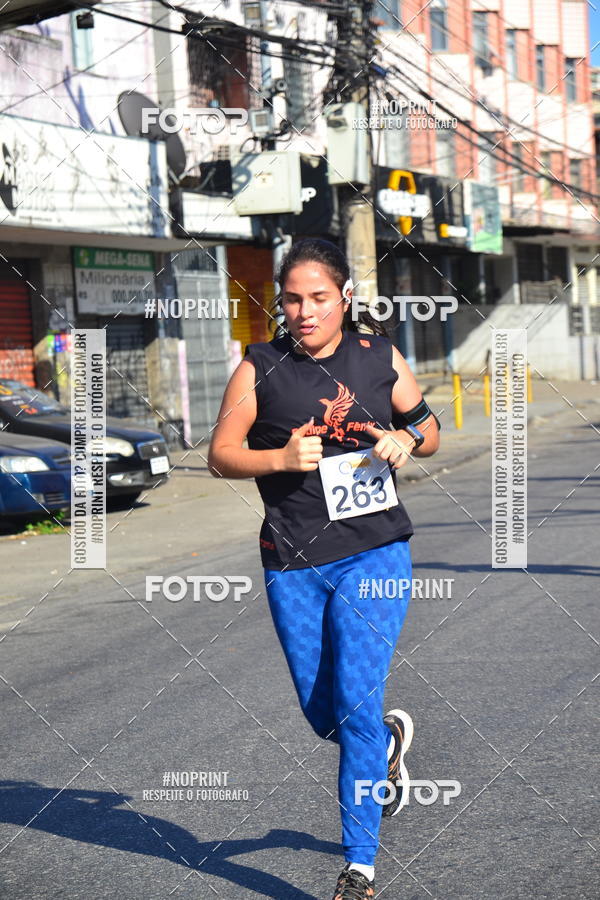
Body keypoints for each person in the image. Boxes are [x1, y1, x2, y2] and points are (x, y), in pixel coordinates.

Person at [208, 238, 440, 899]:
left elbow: (429, 429)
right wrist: (278, 460)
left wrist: (404, 439)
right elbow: (221, 454)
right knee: (323, 716)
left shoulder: (379, 357)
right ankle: (384, 745)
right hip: (292, 561)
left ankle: (358, 868)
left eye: (318, 298)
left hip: (376, 554)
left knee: (355, 705)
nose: (304, 311)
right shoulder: (259, 368)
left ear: (343, 299)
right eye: (291, 299)